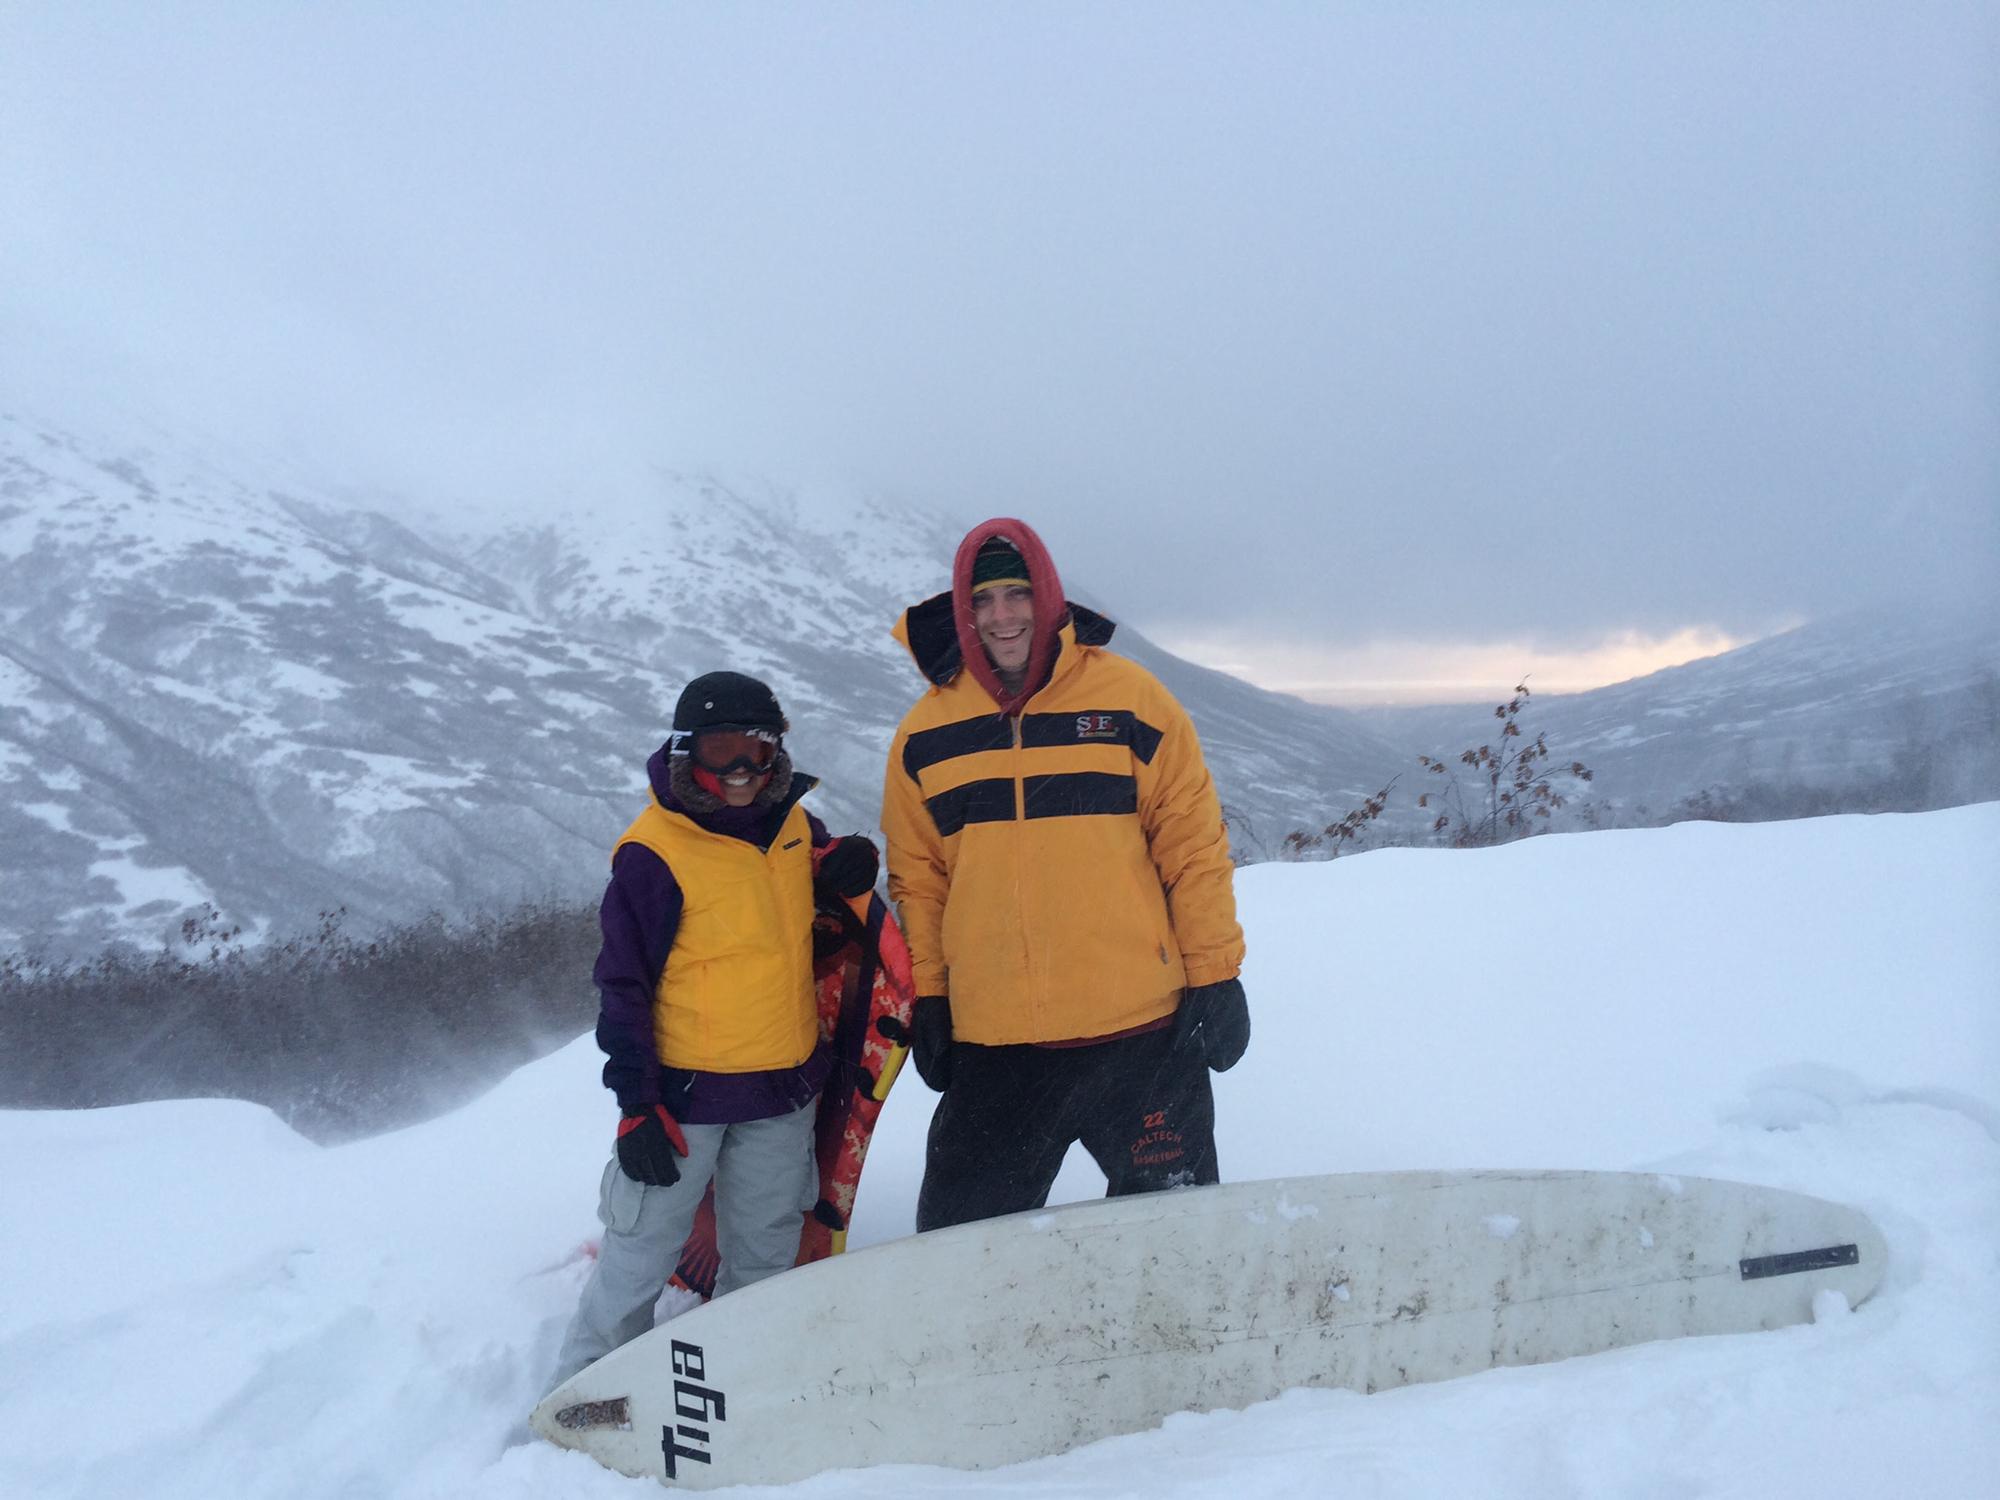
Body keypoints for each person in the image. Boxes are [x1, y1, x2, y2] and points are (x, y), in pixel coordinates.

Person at [881, 518, 1250, 1232]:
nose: (1002, 616)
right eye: (983, 600)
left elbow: (1193, 847)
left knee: (1175, 1242)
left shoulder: (1132, 703)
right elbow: (919, 880)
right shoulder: (926, 734)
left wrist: (1216, 973)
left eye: (1017, 594)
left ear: (1047, 596)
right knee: (962, 1255)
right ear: (963, 608)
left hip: (1141, 1037)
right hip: (998, 1048)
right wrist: (931, 995)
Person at [550, 670, 879, 1387]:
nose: (738, 771)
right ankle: (584, 1397)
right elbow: (622, 986)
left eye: (755, 752)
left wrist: (836, 872)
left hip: (781, 1095)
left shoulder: (793, 825)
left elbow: (802, 925)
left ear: (775, 755)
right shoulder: (654, 853)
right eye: (719, 749)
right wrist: (638, 1106)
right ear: (684, 750)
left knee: (763, 1258)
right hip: (684, 1103)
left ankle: (741, 1385)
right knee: (639, 1254)